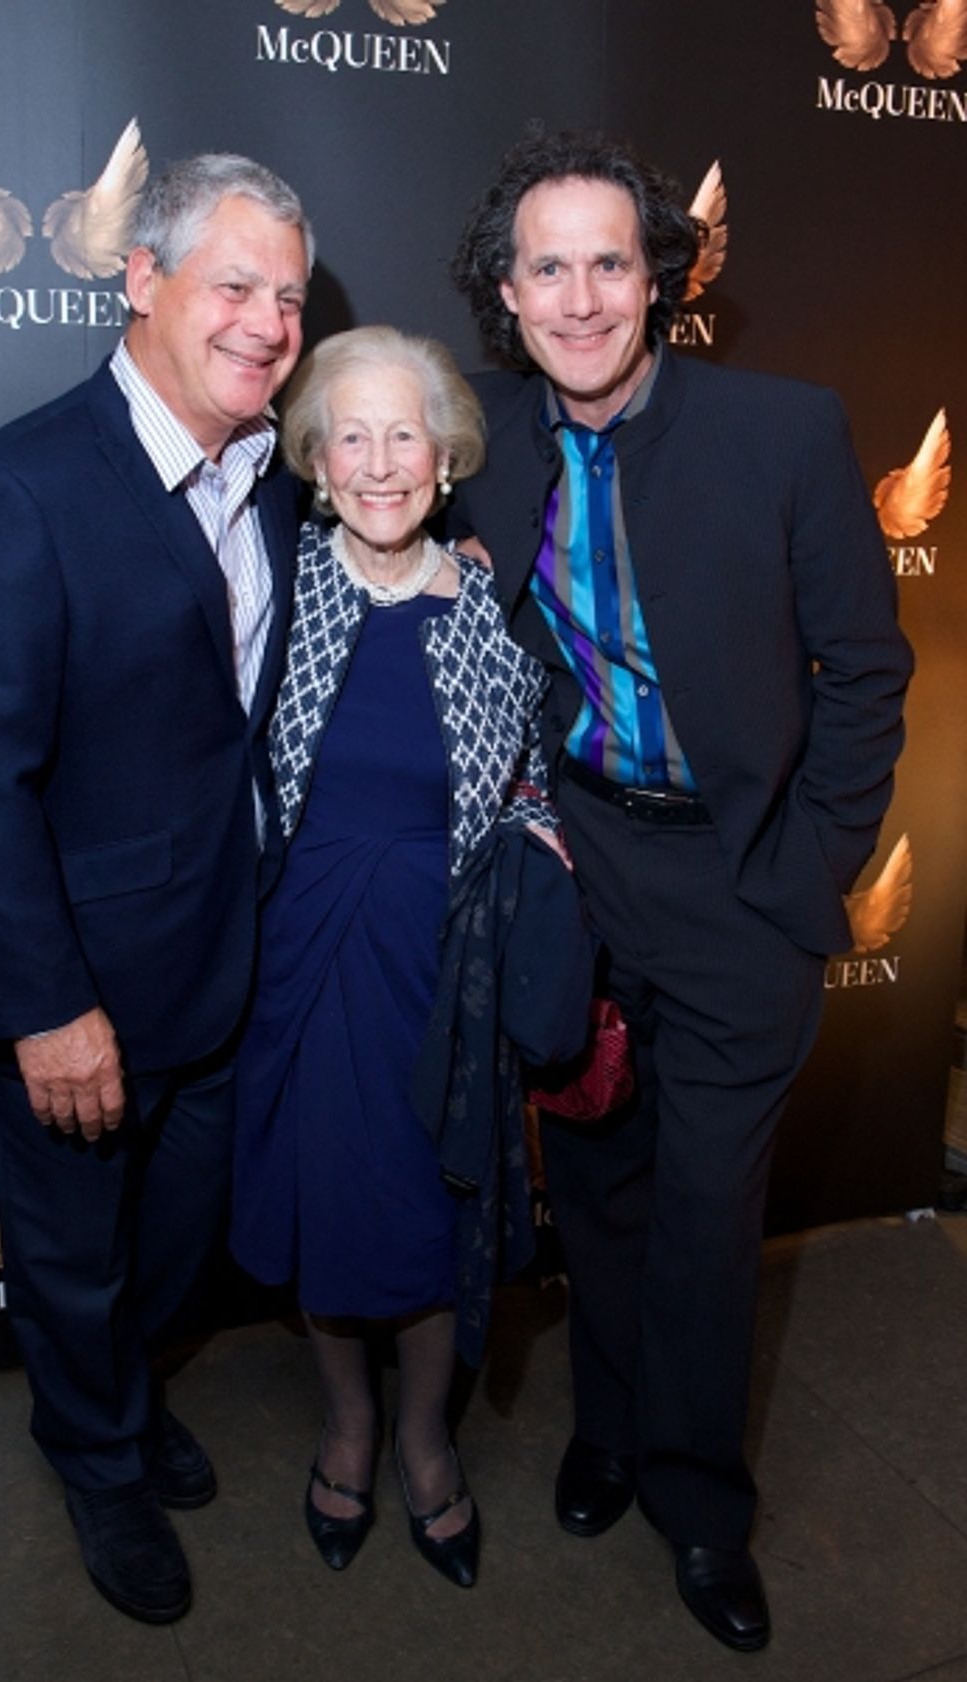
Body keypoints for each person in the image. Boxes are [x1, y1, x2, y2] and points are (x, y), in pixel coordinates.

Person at [449, 129, 912, 1650]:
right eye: (547, 266)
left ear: (658, 275)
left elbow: (867, 673)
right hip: (583, 862)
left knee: (711, 1214)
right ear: (506, 295)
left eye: (609, 260)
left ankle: (701, 1501)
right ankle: (612, 1426)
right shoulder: (485, 442)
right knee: (599, 1181)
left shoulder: (785, 431)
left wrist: (805, 865)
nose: (580, 297)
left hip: (740, 878)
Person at [0, 154, 313, 1625]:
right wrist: (49, 1003)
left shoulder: (270, 483)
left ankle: (121, 1401)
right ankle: (95, 1455)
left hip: (218, 967)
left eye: (288, 297)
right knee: (71, 1260)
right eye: (233, 286)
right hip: (71, 989)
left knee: (171, 1244)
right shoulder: (16, 491)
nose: (269, 323)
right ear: (139, 281)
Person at [231, 325, 588, 1589]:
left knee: (440, 1210)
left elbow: (536, 784)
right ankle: (350, 1421)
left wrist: (536, 861)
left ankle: (428, 1438)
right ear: (316, 460)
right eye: (352, 434)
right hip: (306, 960)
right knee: (333, 1207)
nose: (381, 461)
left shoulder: (494, 614)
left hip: (447, 970)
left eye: (407, 436)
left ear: (444, 461)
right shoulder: (270, 591)